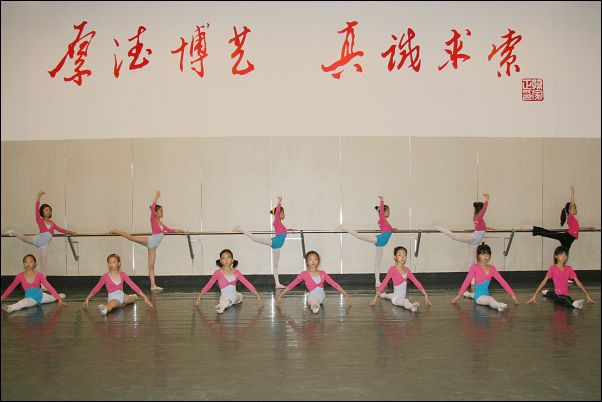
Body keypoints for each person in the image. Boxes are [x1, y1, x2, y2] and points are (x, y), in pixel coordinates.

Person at [111, 191, 185, 291]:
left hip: (153, 247)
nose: (162, 213)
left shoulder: (163, 225)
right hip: (150, 241)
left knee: (151, 267)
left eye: (163, 211)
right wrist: (156, 196)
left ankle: (153, 286)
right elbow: (153, 207)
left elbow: (172, 230)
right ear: (155, 213)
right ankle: (116, 231)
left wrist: (182, 231)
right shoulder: (153, 220)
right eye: (161, 211)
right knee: (132, 238)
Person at [3, 191, 77, 273]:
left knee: (44, 265)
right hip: (36, 239)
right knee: (22, 237)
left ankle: (43, 280)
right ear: (42, 212)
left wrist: (71, 231)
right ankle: (13, 232)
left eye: (50, 210)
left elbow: (60, 229)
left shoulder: (52, 223)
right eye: (46, 210)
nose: (48, 212)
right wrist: (39, 196)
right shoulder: (40, 220)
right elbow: (36, 209)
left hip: (44, 245)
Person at [335, 196, 397, 287]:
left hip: (381, 244)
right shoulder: (382, 219)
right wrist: (381, 201)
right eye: (388, 211)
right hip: (378, 240)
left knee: (377, 263)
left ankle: (377, 282)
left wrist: (394, 229)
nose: (389, 212)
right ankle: (343, 227)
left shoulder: (385, 222)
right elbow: (381, 215)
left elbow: (389, 229)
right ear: (383, 212)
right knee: (359, 236)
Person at [234, 196, 295, 288]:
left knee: (275, 265)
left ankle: (277, 284)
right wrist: (279, 202)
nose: (284, 215)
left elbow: (283, 231)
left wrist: (290, 230)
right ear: (278, 213)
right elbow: (277, 214)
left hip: (277, 246)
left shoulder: (280, 224)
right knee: (255, 238)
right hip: (275, 242)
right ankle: (240, 229)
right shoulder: (277, 221)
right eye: (283, 213)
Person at [276, 250, 351, 313]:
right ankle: (314, 305)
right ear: (306, 262)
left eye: (315, 259)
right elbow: (292, 284)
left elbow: (333, 283)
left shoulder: (322, 273)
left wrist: (345, 294)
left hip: (322, 296)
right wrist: (281, 294)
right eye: (310, 259)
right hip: (313, 297)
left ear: (318, 261)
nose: (313, 261)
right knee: (313, 300)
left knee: (315, 300)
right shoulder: (304, 274)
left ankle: (313, 301)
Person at [452, 243, 519, 312]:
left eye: (487, 254)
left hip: (485, 294)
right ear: (478, 255)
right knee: (489, 299)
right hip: (478, 297)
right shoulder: (474, 267)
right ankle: (498, 305)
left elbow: (502, 281)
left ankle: (467, 294)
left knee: (479, 296)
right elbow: (467, 281)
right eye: (483, 254)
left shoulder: (492, 268)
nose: (486, 256)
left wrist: (512, 295)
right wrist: (458, 295)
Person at [195, 249, 264, 314]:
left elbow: (246, 283)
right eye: (223, 258)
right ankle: (222, 305)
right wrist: (200, 296)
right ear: (220, 261)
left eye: (228, 257)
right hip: (224, 297)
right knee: (225, 301)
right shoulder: (217, 273)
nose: (226, 260)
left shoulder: (236, 272)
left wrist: (257, 295)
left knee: (237, 297)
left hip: (235, 296)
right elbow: (209, 284)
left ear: (232, 260)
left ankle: (223, 305)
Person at [83, 253, 153, 316]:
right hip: (113, 298)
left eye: (114, 262)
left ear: (118, 263)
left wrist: (145, 297)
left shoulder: (123, 274)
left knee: (132, 299)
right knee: (112, 304)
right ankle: (105, 309)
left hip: (122, 295)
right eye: (109, 262)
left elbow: (133, 285)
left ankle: (133, 296)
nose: (111, 264)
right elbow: (97, 287)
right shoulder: (105, 276)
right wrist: (88, 297)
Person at [526, 246, 595, 309]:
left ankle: (546, 292)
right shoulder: (552, 268)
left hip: (564, 294)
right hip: (558, 295)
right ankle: (574, 303)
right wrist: (534, 295)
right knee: (565, 298)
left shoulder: (569, 268)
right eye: (561, 254)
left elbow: (578, 282)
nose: (563, 257)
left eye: (565, 255)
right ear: (556, 256)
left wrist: (587, 295)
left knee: (562, 297)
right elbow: (543, 282)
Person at [434, 193, 492, 267]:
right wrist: (487, 198)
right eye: (482, 210)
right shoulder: (478, 217)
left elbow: (483, 228)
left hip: (475, 242)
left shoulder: (477, 219)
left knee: (472, 260)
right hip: (473, 238)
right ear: (480, 210)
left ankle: (472, 274)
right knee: (452, 236)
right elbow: (485, 209)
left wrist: (493, 229)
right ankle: (437, 227)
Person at [370, 246, 432, 312]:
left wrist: (425, 294)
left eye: (404, 255)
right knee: (404, 301)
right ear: (395, 257)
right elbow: (384, 282)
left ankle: (382, 295)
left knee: (389, 295)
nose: (402, 257)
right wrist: (375, 296)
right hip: (396, 299)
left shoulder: (407, 270)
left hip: (396, 295)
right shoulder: (392, 269)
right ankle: (412, 306)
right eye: (399, 255)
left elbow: (416, 282)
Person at [1, 254, 67, 313]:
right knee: (22, 303)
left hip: (41, 296)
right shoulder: (20, 276)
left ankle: (60, 296)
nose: (28, 264)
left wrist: (58, 299)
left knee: (53, 298)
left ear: (35, 264)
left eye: (31, 262)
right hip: (30, 299)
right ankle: (10, 308)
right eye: (26, 262)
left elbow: (48, 286)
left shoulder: (39, 275)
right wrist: (2, 297)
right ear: (23, 264)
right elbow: (11, 287)